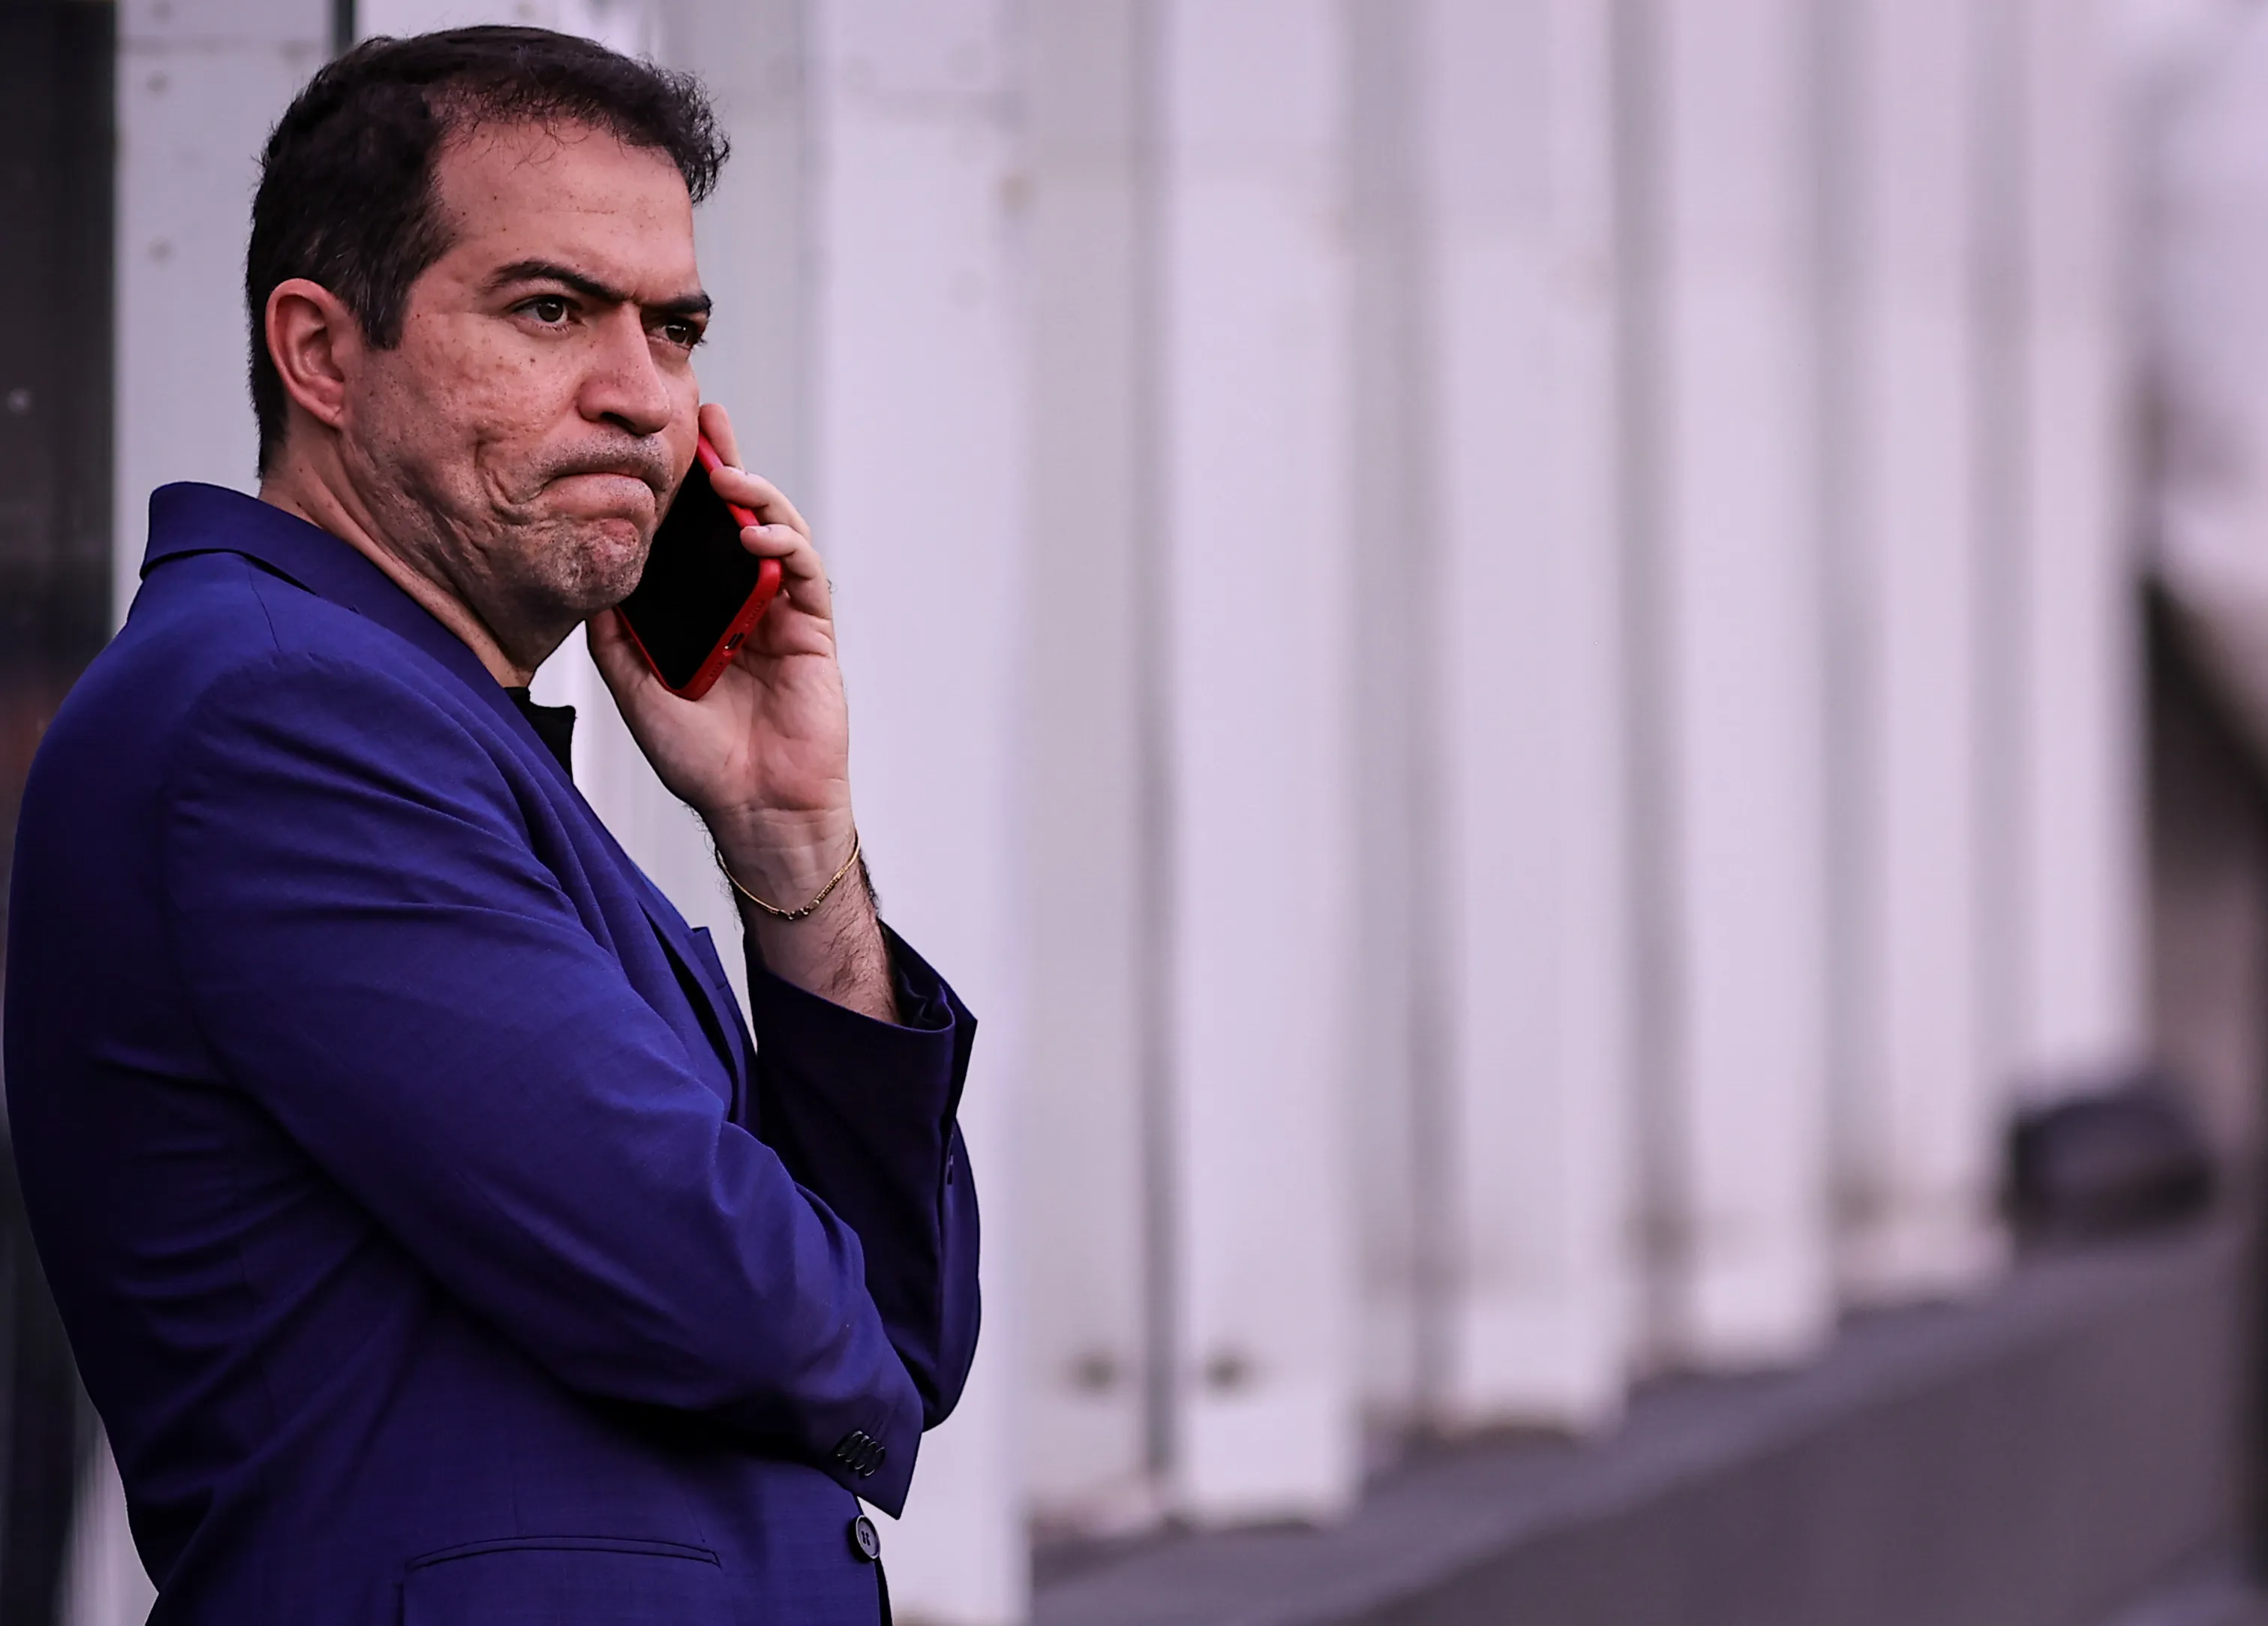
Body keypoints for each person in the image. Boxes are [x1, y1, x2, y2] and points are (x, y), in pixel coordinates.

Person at [2, 26, 977, 1625]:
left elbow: (903, 1338)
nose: (640, 399)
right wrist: (830, 1304)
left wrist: (789, 845)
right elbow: (751, 1307)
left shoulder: (416, 722)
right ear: (320, 353)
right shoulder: (277, 719)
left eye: (673, 330)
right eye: (549, 310)